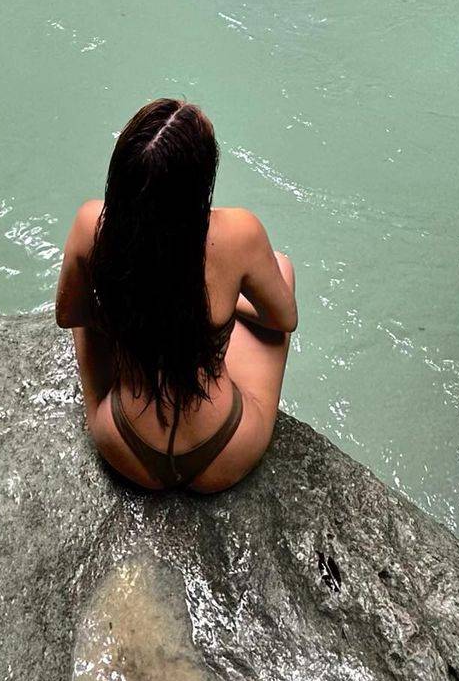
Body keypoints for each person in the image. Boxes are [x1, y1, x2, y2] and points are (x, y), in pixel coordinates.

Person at [55, 98, 297, 493]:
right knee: (281, 268)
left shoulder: (91, 225)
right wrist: (223, 304)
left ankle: (111, 395)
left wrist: (127, 312)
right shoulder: (240, 233)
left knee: (88, 312)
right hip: (225, 447)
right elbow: (283, 319)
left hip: (123, 443)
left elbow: (69, 315)